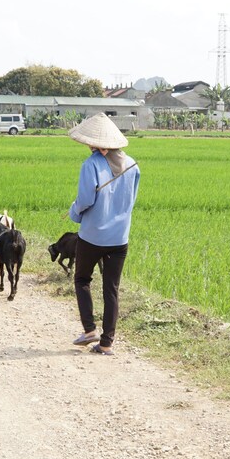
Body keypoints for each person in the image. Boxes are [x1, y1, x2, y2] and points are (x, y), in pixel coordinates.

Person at [67, 113, 140, 355]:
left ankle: (89, 330)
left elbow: (86, 199)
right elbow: (130, 200)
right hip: (120, 238)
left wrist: (74, 212)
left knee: (82, 279)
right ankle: (107, 343)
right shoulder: (133, 164)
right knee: (111, 288)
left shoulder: (91, 165)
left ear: (98, 144)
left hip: (93, 236)